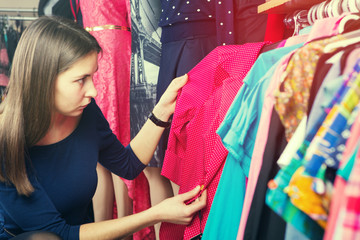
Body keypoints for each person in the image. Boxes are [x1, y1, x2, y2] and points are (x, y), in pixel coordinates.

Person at [0, 16, 207, 240]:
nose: (94, 91)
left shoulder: (85, 111)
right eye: (81, 79)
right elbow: (58, 234)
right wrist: (155, 214)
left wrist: (162, 111)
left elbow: (128, 165)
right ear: (44, 79)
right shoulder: (6, 142)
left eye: (92, 76)